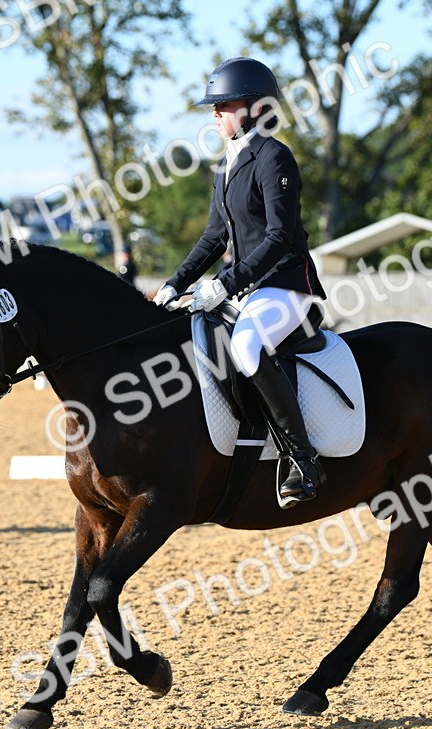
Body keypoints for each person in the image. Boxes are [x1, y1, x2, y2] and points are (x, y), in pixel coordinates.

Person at [152, 57, 328, 507]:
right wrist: (176, 283)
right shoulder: (225, 165)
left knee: (246, 346)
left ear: (251, 107)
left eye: (223, 105)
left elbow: (278, 236)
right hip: (248, 287)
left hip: (287, 285)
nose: (215, 114)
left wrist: (224, 284)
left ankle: (303, 458)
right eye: (215, 106)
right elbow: (214, 237)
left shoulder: (274, 156)